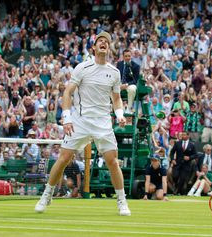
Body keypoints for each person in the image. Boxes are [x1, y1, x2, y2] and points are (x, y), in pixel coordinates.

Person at [35, 31, 131, 216]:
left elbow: (117, 98)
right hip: (80, 121)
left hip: (103, 122)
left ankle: (122, 201)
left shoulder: (115, 72)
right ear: (93, 48)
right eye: (100, 41)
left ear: (109, 48)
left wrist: (119, 114)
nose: (104, 43)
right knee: (63, 158)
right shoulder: (82, 68)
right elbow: (67, 93)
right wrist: (67, 118)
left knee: (112, 161)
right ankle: (47, 195)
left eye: (107, 42)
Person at [117, 49, 140, 113]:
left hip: (129, 84)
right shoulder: (119, 64)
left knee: (132, 89)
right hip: (120, 83)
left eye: (129, 56)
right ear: (123, 56)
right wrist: (119, 84)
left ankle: (129, 108)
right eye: (126, 56)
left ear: (131, 56)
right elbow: (117, 76)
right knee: (112, 88)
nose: (127, 58)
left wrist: (126, 85)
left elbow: (135, 80)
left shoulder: (136, 66)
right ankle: (118, 108)